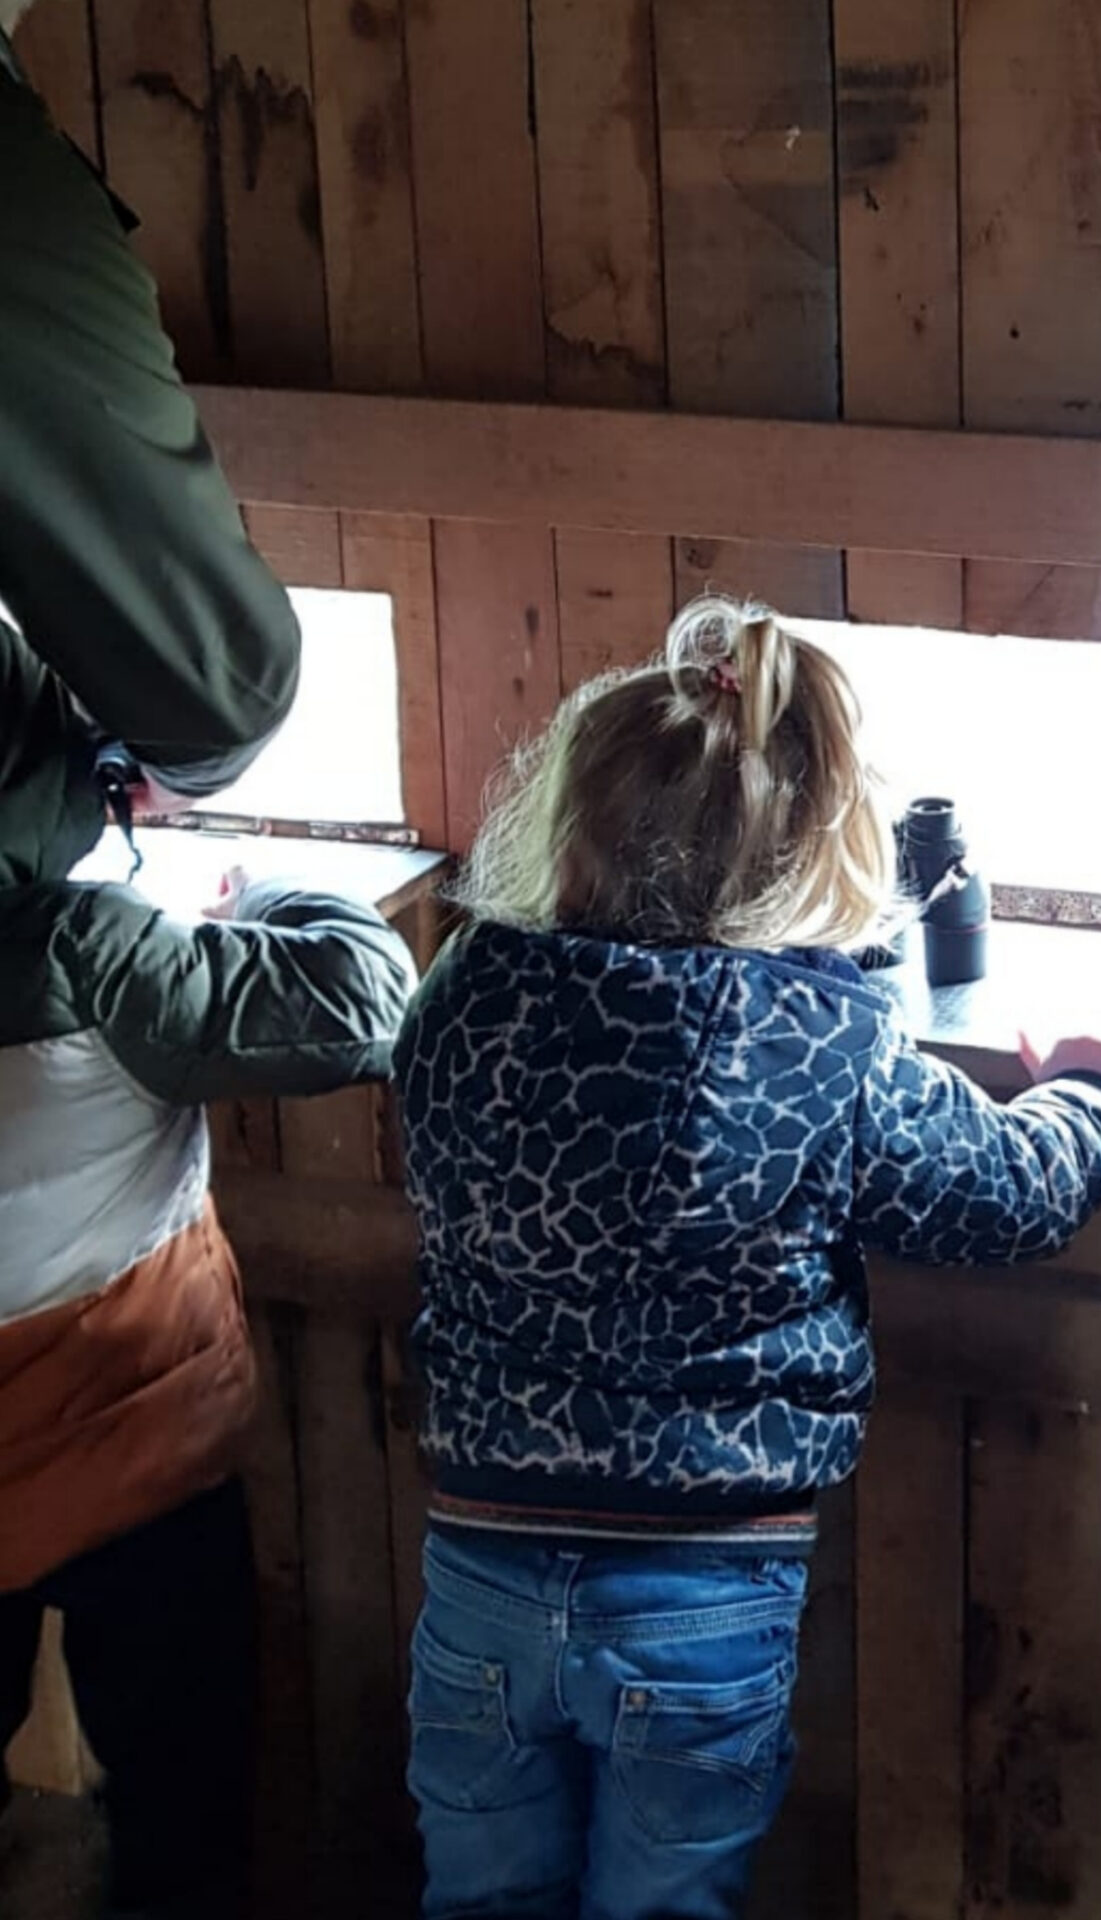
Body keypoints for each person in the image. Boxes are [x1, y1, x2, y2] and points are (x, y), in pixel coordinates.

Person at [396, 597, 1101, 1920]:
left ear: (565, 823)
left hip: (480, 1575)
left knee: (480, 1905)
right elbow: (1005, 1198)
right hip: (702, 1594)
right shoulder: (818, 1042)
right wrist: (1087, 1093)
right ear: (817, 853)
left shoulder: (462, 996)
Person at [0, 9, 421, 1917]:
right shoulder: (115, 958)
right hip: (102, 1364)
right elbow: (343, 999)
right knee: (177, 1702)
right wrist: (249, 903)